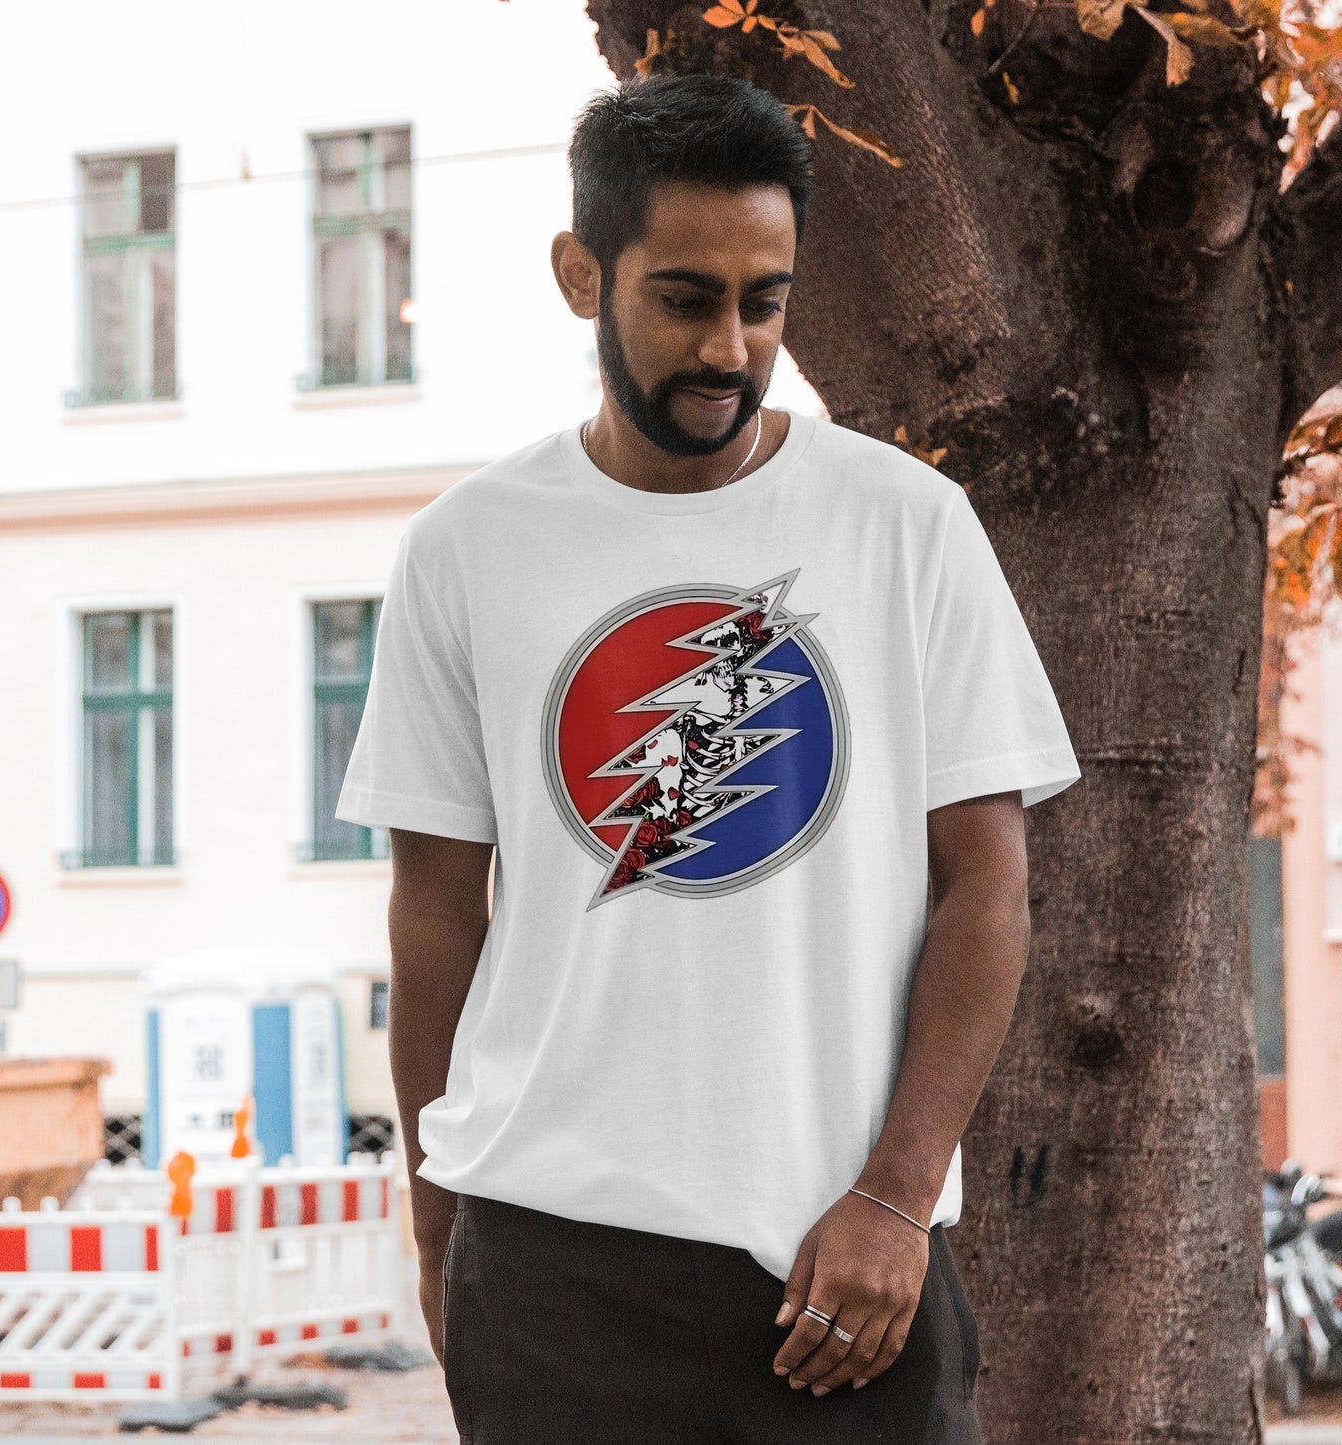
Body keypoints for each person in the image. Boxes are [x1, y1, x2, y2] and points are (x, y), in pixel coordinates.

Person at [336, 71, 1080, 1445]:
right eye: (685, 297)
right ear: (582, 274)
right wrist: (440, 1238)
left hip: (845, 1266)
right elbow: (435, 911)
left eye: (764, 301)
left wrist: (892, 1196)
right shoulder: (466, 547)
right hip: (552, 1265)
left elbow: (986, 888)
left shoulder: (905, 524)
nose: (730, 346)